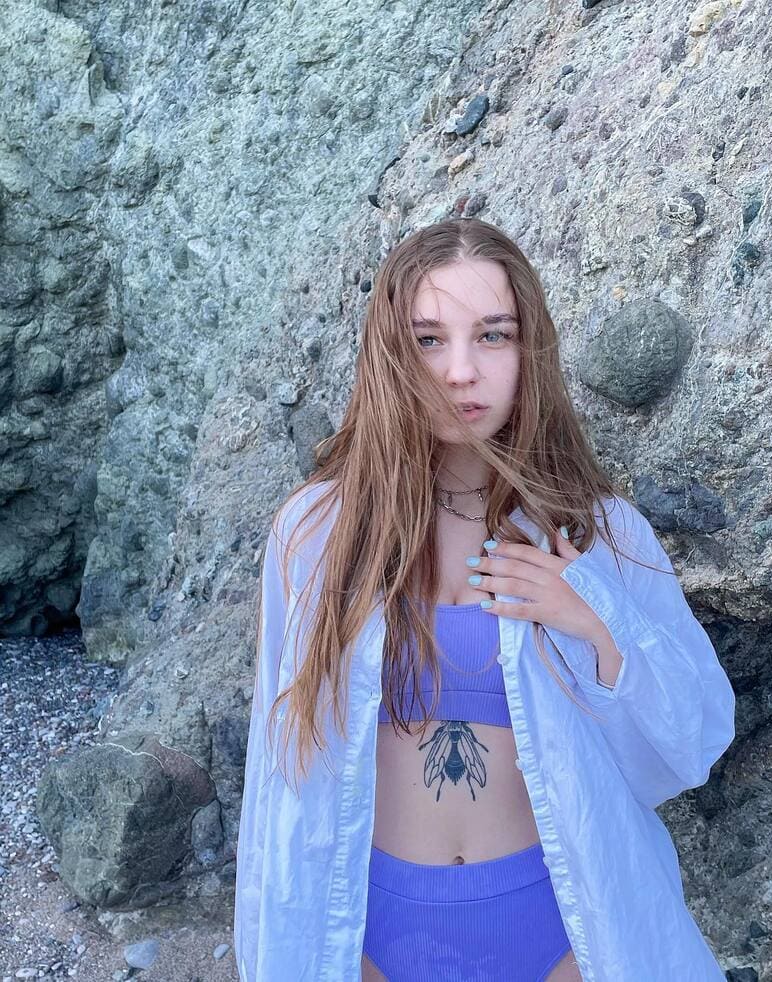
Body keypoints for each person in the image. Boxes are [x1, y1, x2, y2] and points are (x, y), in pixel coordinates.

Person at [233, 217, 737, 981]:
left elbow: (689, 745)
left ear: (529, 350)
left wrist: (597, 622)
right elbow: (280, 773)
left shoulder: (596, 533)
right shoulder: (315, 533)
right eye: (429, 340)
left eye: (493, 335)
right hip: (368, 927)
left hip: (559, 925)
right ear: (390, 353)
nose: (460, 371)